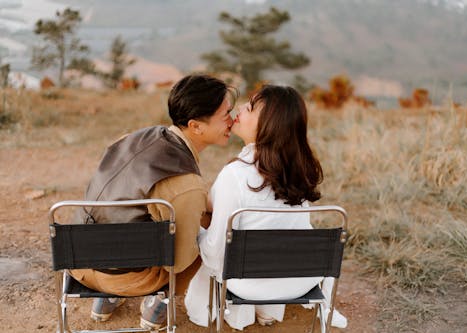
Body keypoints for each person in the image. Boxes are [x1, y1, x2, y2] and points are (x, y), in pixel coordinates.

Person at [69, 74, 237, 330]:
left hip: (78, 260)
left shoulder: (134, 137)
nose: (232, 121)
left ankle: (106, 301)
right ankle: (157, 302)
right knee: (210, 230)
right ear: (196, 126)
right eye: (226, 114)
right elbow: (179, 261)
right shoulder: (185, 181)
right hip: (122, 278)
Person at [184, 85, 347, 330]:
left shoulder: (235, 175)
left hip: (247, 283)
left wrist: (197, 234)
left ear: (269, 123)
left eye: (249, 107)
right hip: (298, 279)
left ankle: (244, 307)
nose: (239, 109)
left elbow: (217, 252)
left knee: (206, 236)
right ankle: (266, 310)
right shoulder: (298, 169)